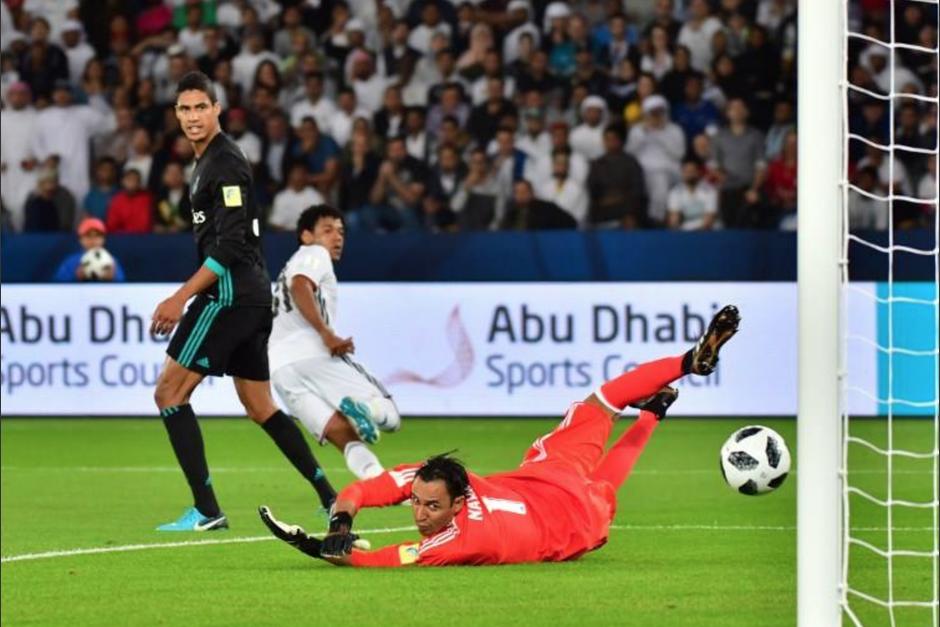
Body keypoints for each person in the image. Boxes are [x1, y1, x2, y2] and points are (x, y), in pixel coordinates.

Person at [259, 305, 742, 567]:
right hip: (555, 491)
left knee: (603, 469)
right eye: (418, 503)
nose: (421, 514)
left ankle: (667, 392)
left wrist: (324, 548)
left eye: (430, 507)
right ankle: (677, 374)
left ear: (456, 502)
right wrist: (341, 521)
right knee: (602, 405)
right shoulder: (444, 480)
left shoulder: (460, 542)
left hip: (570, 520)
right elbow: (364, 491)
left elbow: (392, 557)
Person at [149, 71, 336, 532]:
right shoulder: (209, 162)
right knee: (259, 404)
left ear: (217, 110)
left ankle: (208, 510)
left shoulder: (225, 163)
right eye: (184, 109)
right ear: (176, 113)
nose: (193, 117)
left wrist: (180, 296)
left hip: (230, 295)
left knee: (169, 392)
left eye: (200, 107)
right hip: (251, 296)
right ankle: (331, 496)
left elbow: (230, 245)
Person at [270, 205, 402, 480]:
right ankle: (366, 409)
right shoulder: (313, 254)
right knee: (389, 416)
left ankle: (377, 482)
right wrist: (326, 333)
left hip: (281, 369)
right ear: (306, 236)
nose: (337, 237)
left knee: (343, 435)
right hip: (314, 352)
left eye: (341, 232)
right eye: (327, 230)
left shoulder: (285, 269)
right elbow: (301, 285)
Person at [52, 217, 126, 282]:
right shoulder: (71, 262)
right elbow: (58, 284)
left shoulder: (111, 261)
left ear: (103, 239)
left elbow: (122, 285)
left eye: (97, 236)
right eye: (88, 236)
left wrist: (113, 279)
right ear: (80, 240)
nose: (93, 240)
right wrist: (75, 277)